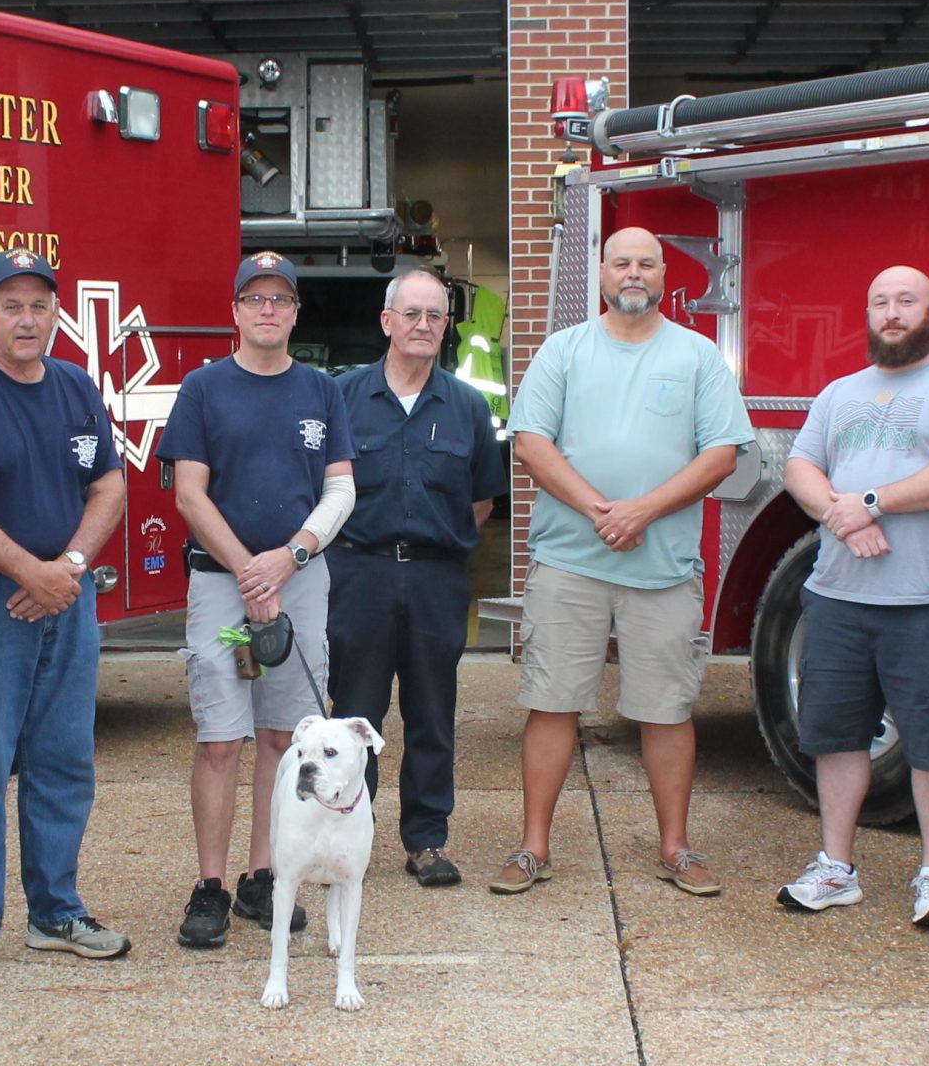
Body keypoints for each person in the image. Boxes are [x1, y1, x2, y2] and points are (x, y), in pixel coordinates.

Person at [503, 228, 751, 897]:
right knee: (551, 703)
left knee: (666, 709)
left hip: (663, 568)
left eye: (645, 263)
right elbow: (531, 443)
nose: (633, 272)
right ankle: (533, 848)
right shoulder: (564, 351)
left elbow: (721, 454)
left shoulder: (698, 356)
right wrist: (599, 510)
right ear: (603, 274)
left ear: (664, 274)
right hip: (570, 563)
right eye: (621, 262)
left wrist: (641, 511)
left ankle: (675, 848)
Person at [0, 250, 132, 980]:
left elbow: (109, 484)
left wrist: (67, 568)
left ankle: (56, 912)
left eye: (39, 305)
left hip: (65, 599)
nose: (27, 318)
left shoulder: (74, 387)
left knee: (64, 760)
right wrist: (26, 572)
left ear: (53, 314)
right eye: (11, 304)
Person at [775, 264, 929, 929]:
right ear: (868, 313)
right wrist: (841, 516)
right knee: (836, 736)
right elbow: (799, 466)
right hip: (838, 597)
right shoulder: (840, 391)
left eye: (906, 301)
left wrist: (871, 504)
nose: (892, 313)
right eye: (880, 302)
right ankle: (835, 868)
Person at [159, 251, 356, 948]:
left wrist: (291, 556)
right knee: (219, 739)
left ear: (295, 313)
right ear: (235, 311)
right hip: (221, 582)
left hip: (300, 578)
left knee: (285, 737)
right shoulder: (204, 391)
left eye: (280, 299)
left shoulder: (321, 392)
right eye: (254, 299)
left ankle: (262, 876)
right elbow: (189, 493)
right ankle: (210, 884)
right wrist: (250, 571)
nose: (267, 310)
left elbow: (340, 489)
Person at [327, 268, 509, 888]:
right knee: (355, 716)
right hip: (358, 574)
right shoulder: (344, 398)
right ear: (387, 322)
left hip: (436, 579)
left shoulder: (466, 406)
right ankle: (348, 836)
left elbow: (482, 500)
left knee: (433, 714)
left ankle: (426, 840)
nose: (424, 325)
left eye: (435, 316)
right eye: (412, 314)